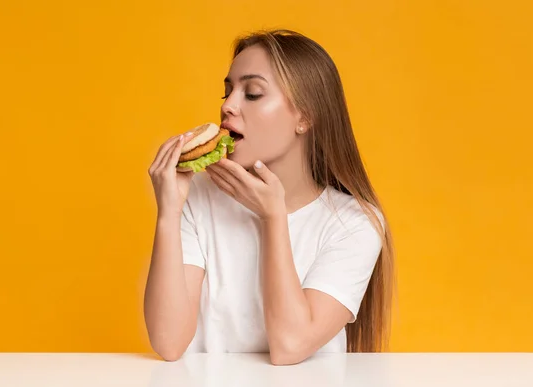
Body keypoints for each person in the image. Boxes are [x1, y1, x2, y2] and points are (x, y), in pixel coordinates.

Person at [145, 29, 395, 365]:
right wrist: (168, 212)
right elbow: (168, 342)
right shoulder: (199, 198)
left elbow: (290, 346)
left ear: (305, 117)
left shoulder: (354, 223)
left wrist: (272, 218)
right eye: (227, 92)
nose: (228, 106)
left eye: (253, 93)